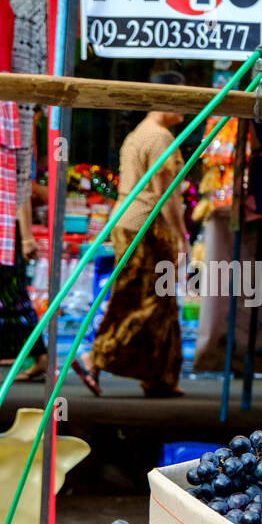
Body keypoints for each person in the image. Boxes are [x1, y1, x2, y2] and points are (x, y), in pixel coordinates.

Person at [77, 73, 189, 398]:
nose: (186, 106)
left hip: (131, 223)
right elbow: (166, 193)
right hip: (145, 225)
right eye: (180, 98)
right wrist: (181, 235)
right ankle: (95, 355)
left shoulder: (142, 133)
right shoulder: (160, 138)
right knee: (147, 301)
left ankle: (159, 378)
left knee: (158, 300)